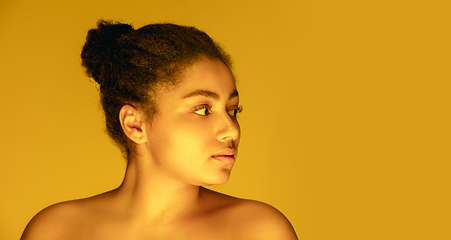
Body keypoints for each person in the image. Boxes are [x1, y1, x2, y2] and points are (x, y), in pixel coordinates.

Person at [21, 20, 298, 240]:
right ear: (134, 124)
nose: (232, 130)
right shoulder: (55, 232)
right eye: (202, 109)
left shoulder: (259, 232)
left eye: (232, 110)